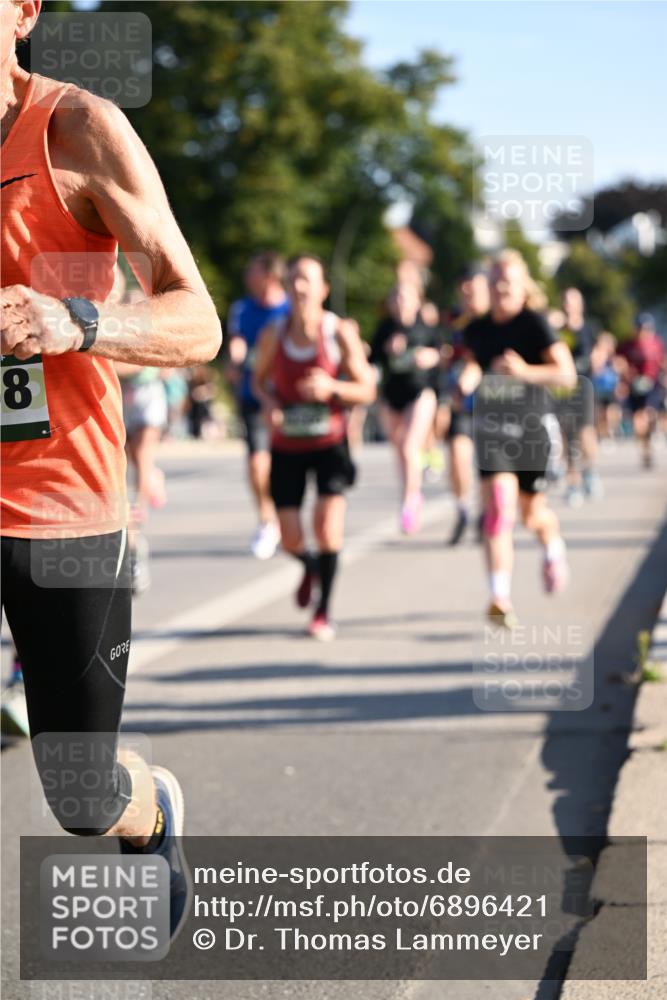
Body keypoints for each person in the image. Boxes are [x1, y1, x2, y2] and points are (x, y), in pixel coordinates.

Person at [1, 1, 220, 940]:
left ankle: (150, 810)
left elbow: (197, 321)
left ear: (23, 12)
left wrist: (75, 321)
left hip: (62, 500)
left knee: (81, 794)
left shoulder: (76, 128)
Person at [253, 254, 376, 640]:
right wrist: (270, 405)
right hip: (286, 444)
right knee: (289, 537)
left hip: (329, 444)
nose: (299, 286)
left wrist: (332, 387)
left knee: (326, 527)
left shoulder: (338, 333)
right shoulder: (273, 334)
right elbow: (257, 382)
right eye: (293, 279)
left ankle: (323, 612)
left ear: (323, 289)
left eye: (307, 279)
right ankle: (309, 566)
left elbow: (367, 389)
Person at [458, 250, 576, 627]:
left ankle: (552, 547)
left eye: (507, 283)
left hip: (533, 430)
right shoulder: (477, 329)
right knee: (498, 508)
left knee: (532, 515)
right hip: (493, 430)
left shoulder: (534, 324)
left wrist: (524, 371)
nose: (500, 289)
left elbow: (567, 375)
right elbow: (473, 363)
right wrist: (466, 379)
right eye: (494, 282)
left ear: (523, 287)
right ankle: (500, 597)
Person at [227, 252, 290, 559]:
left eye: (253, 272)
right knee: (257, 463)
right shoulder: (242, 309)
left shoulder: (290, 308)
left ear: (269, 275)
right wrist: (235, 358)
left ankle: (288, 516)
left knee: (287, 465)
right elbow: (237, 340)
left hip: (289, 399)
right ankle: (267, 521)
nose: (247, 277)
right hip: (253, 394)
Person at [370, 283, 443, 534]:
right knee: (400, 448)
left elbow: (443, 355)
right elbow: (372, 361)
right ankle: (410, 492)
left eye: (405, 297)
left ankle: (410, 500)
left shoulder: (426, 328)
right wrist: (385, 351)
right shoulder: (384, 329)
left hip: (420, 392)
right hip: (392, 395)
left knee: (409, 445)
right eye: (396, 298)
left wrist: (430, 357)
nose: (400, 303)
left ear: (417, 301)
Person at [444, 264, 490, 545]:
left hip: (493, 402)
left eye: (473, 287)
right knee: (458, 456)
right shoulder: (453, 320)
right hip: (462, 400)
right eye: (463, 288)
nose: (468, 293)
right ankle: (463, 508)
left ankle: (486, 512)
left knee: (488, 467)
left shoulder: (494, 319)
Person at [555, 287, 602, 505]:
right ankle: (572, 483)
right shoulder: (557, 330)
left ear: (580, 304)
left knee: (585, 432)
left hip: (585, 387)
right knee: (567, 437)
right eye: (565, 301)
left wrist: (597, 359)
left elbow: (600, 349)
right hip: (563, 389)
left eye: (572, 301)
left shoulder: (589, 328)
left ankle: (590, 471)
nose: (568, 305)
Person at [617, 313, 666, 469]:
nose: (643, 332)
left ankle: (652, 430)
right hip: (634, 386)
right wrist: (625, 373)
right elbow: (618, 360)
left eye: (647, 329)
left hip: (652, 385)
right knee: (638, 421)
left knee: (649, 414)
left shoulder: (657, 343)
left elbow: (663, 361)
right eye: (640, 329)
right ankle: (646, 448)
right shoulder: (627, 346)